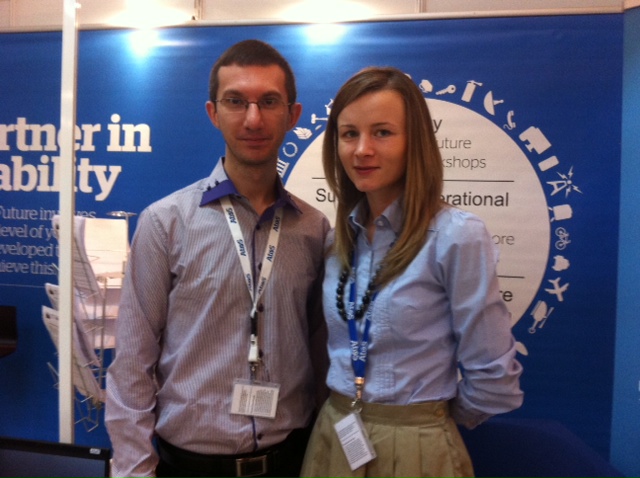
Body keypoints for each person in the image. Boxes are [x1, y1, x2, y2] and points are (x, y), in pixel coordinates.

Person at [105, 39, 330, 478]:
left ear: (293, 115)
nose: (253, 118)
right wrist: (135, 470)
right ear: (213, 113)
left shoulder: (314, 229)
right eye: (236, 101)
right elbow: (132, 362)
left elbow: (322, 354)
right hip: (190, 467)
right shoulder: (165, 222)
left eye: (269, 102)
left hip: (291, 461)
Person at [300, 67, 524, 478]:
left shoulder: (455, 236)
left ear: (414, 142)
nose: (362, 150)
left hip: (417, 444)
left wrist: (424, 423)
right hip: (336, 432)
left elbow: (494, 379)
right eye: (349, 134)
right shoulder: (338, 241)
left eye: (382, 132)